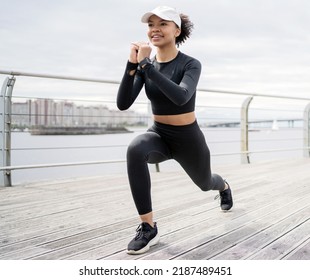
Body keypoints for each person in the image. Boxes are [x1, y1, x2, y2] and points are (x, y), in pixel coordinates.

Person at [116, 6, 233, 255]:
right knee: (136, 149)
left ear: (176, 30)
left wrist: (146, 66)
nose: (154, 29)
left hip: (187, 137)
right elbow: (123, 103)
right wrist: (132, 63)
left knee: (205, 183)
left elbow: (181, 96)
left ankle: (223, 186)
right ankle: (148, 227)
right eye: (150, 25)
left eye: (163, 24)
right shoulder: (147, 65)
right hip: (158, 133)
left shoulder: (190, 64)